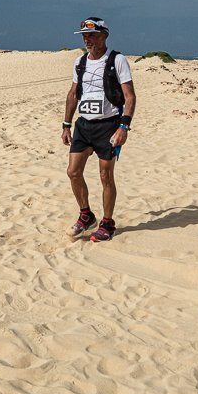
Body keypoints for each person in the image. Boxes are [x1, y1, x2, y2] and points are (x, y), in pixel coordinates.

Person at [61, 17, 136, 242]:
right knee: (73, 172)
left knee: (105, 175)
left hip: (108, 125)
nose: (87, 39)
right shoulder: (80, 62)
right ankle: (86, 216)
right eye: (84, 36)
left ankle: (107, 223)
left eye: (92, 35)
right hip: (84, 125)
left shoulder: (117, 60)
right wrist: (66, 124)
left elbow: (130, 96)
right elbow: (73, 94)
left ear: (104, 36)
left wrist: (124, 126)